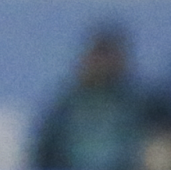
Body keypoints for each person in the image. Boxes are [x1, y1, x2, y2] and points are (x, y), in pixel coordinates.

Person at [34, 26, 154, 170]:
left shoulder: (142, 104)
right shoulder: (66, 106)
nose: (103, 64)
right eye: (98, 57)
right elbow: (43, 152)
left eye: (108, 57)